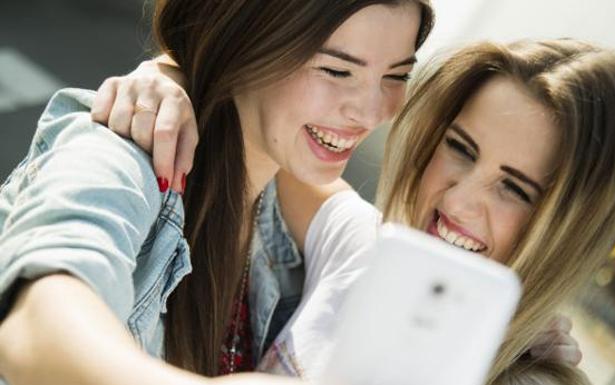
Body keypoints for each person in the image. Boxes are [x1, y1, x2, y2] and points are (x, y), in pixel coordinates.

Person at [100, 38, 615, 385]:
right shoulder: (367, 247)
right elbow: (261, 123)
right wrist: (167, 77)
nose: (457, 202)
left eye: (516, 189)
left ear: (568, 230)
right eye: (461, 149)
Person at [0, 1, 434, 384]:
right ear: (249, 44)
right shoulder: (127, 153)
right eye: (337, 71)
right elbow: (32, 330)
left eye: (397, 75)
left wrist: (169, 68)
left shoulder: (282, 198)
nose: (371, 111)